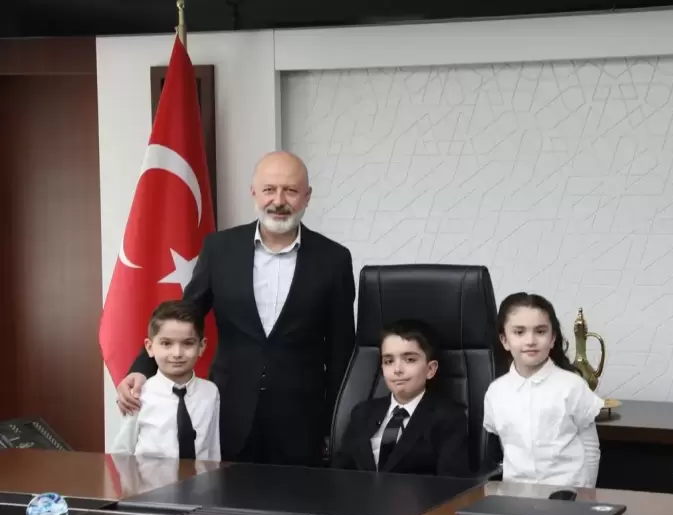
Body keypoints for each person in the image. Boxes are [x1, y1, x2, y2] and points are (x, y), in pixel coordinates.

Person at [115, 151, 356, 466]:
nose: (278, 200)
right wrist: (141, 368)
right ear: (253, 192)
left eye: (290, 190)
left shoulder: (334, 259)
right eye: (269, 189)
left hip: (302, 422)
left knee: (297, 497)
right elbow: (184, 314)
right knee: (224, 495)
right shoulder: (220, 249)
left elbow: (341, 351)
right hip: (228, 413)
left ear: (307, 197)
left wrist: (335, 425)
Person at [483, 292, 604, 487]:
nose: (530, 340)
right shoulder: (495, 392)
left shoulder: (572, 385)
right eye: (519, 332)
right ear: (504, 340)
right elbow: (505, 446)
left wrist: (587, 494)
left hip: (568, 493)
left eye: (540, 331)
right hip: (515, 495)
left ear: (552, 338)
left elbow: (590, 447)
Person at [335, 319, 471, 477]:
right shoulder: (362, 413)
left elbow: (451, 482)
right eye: (389, 361)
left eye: (410, 359)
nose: (397, 369)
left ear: (430, 369)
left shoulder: (449, 419)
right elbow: (340, 471)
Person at [111, 300, 220, 461]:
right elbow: (122, 453)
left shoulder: (210, 392)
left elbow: (213, 449)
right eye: (166, 343)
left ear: (201, 346)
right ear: (150, 347)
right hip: (149, 477)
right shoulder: (139, 395)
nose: (177, 353)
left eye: (188, 343)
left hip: (201, 477)